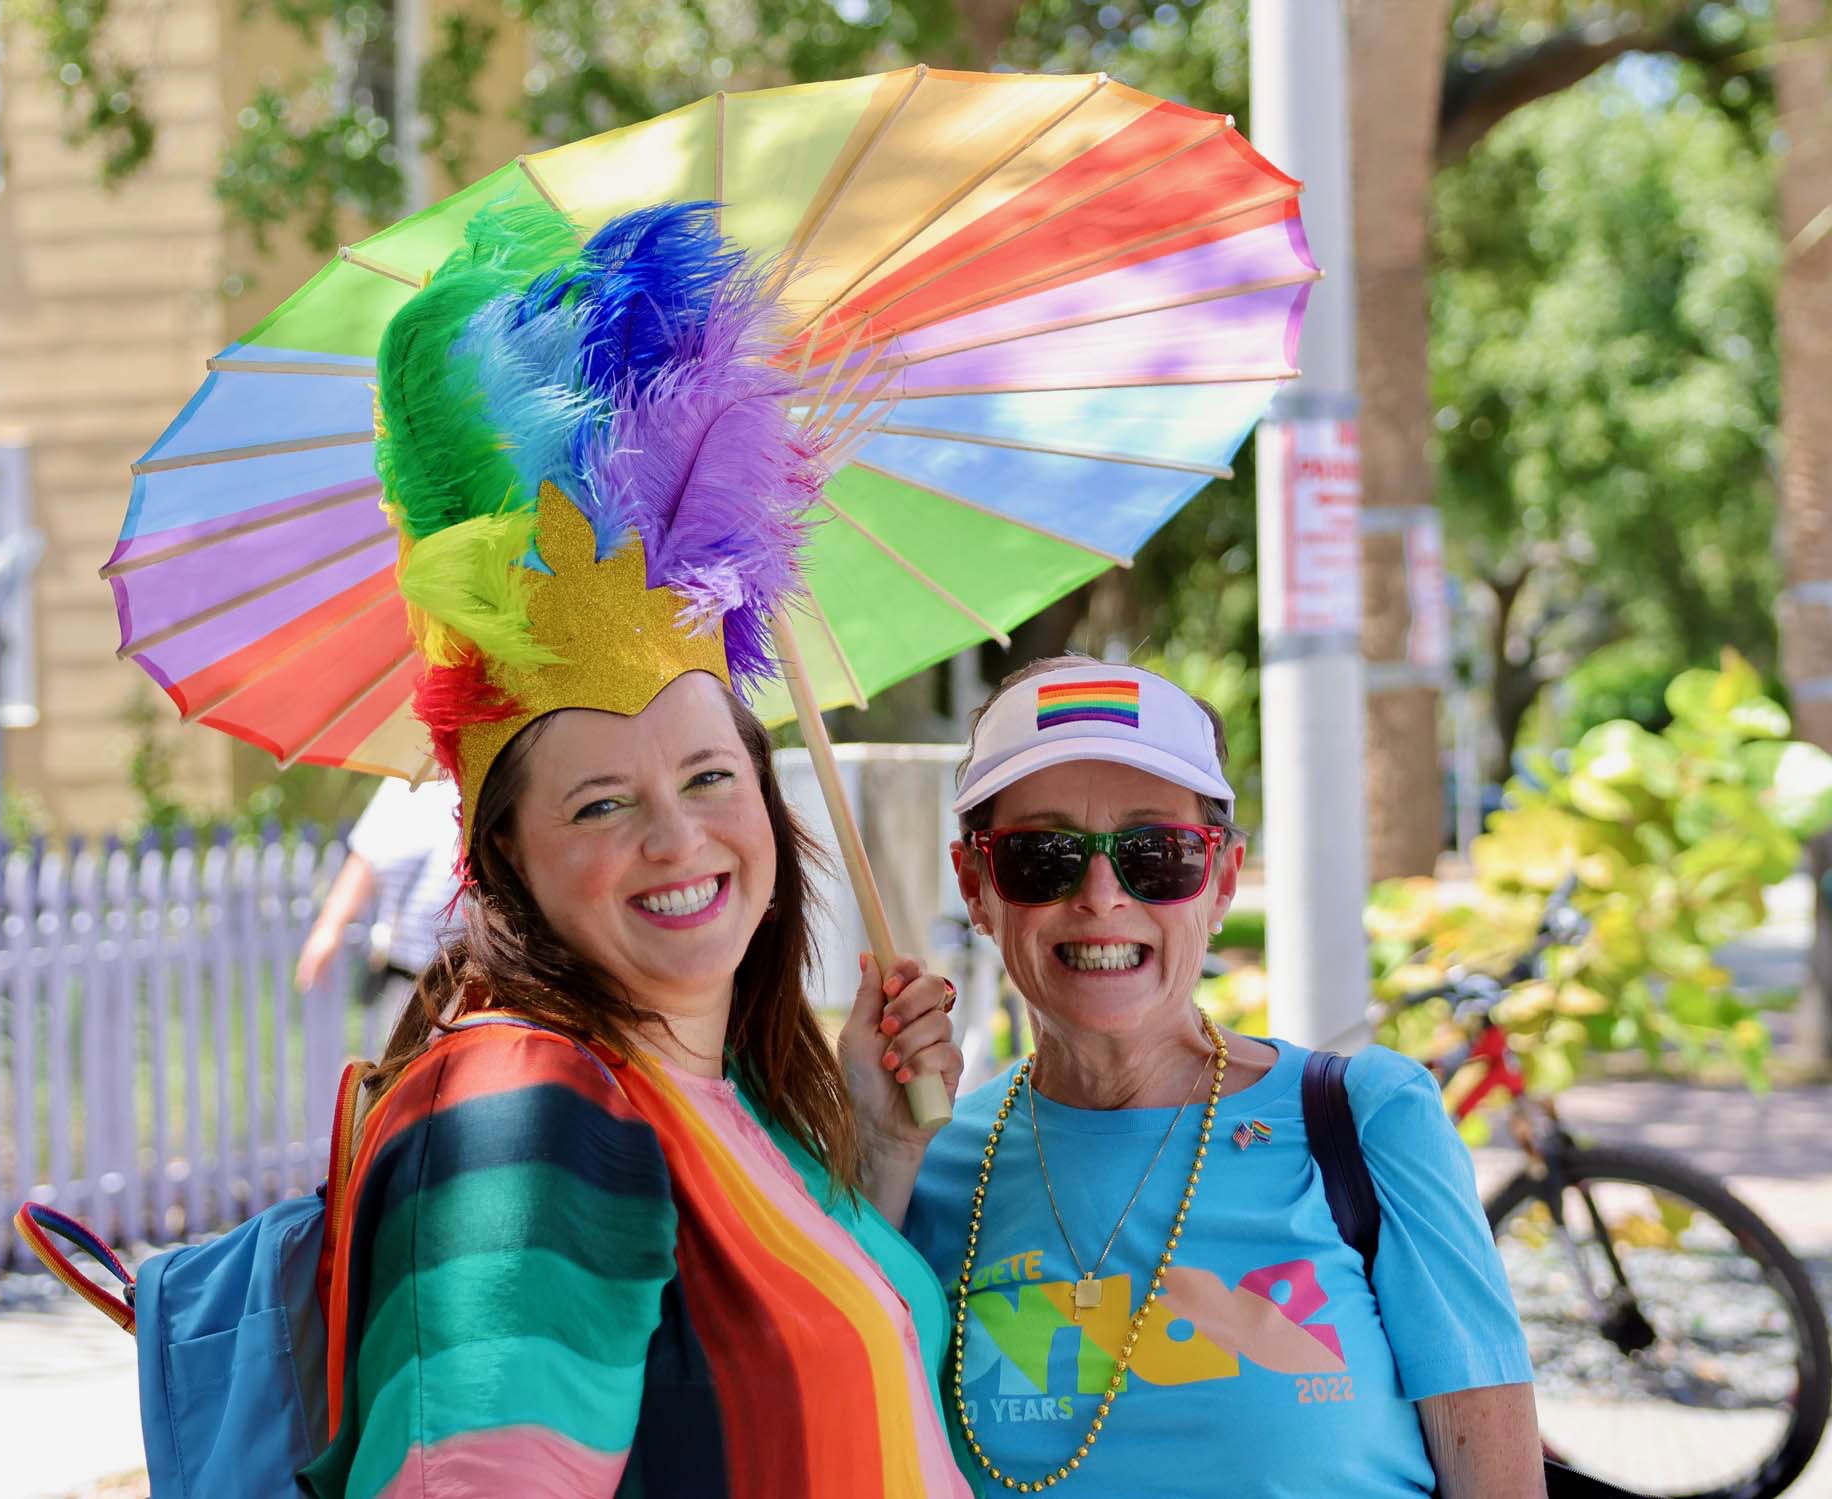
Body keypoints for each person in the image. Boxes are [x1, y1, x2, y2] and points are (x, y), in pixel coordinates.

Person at [299, 199, 971, 1498]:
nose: (679, 836)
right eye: (601, 801)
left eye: (711, 773)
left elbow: (755, 1397)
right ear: (499, 860)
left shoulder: (708, 1093)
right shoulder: (523, 1117)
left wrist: (874, 1154)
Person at [905, 657, 1544, 1499]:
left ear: (1223, 879)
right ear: (976, 887)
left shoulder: (1364, 1122)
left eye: (1157, 854)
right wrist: (878, 1152)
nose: (1102, 895)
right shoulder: (926, 1166)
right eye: (1043, 856)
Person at [294, 774, 462, 1048]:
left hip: (474, 978)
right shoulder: (411, 777)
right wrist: (329, 927)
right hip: (409, 976)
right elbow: (366, 857)